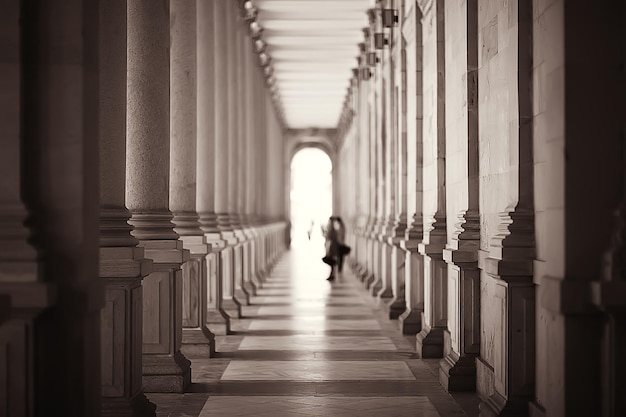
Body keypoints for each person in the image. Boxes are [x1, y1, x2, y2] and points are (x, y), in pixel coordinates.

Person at [323, 216, 347, 281]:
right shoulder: (333, 229)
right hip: (333, 247)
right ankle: (332, 274)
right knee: (332, 261)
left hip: (332, 247)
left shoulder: (333, 230)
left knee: (332, 261)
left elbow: (332, 240)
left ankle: (333, 274)